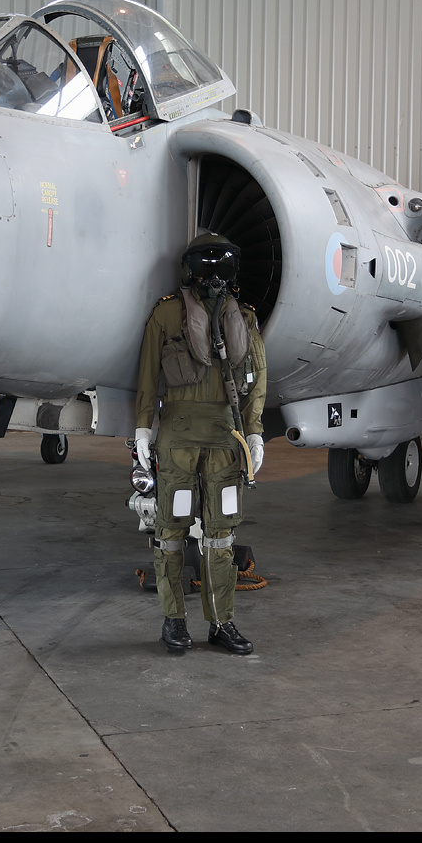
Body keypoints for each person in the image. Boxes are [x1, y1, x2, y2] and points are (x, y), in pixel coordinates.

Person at [134, 234, 267, 655]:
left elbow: (257, 379)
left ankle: (221, 623)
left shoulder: (243, 319)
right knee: (170, 530)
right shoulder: (168, 315)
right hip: (177, 437)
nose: (212, 279)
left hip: (225, 441)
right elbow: (147, 375)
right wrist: (142, 427)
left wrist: (255, 430)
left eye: (219, 269)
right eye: (205, 269)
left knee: (221, 533)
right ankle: (174, 621)